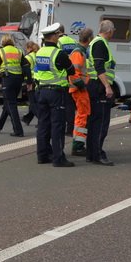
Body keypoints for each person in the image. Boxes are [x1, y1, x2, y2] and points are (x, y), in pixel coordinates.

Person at [31, 23, 77, 166]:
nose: (59, 37)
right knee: (57, 126)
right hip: (56, 92)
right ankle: (58, 158)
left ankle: (42, 155)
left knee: (43, 124)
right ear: (54, 36)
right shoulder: (59, 53)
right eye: (57, 35)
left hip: (41, 91)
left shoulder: (39, 53)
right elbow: (71, 71)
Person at [85, 20, 118, 165]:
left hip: (94, 85)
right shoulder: (100, 43)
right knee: (101, 122)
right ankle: (97, 153)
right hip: (99, 86)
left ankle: (91, 153)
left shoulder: (95, 42)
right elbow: (99, 67)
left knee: (93, 122)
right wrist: (107, 86)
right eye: (113, 31)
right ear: (109, 31)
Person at [0, 33, 30, 137]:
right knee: (8, 103)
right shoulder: (19, 51)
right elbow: (26, 67)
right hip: (18, 80)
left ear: (2, 42)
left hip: (7, 79)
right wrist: (29, 81)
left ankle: (18, 130)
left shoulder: (1, 51)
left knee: (11, 105)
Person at [67, 28, 93, 157]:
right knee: (82, 117)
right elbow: (74, 73)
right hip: (79, 89)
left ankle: (78, 145)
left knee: (81, 116)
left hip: (78, 88)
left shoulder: (80, 52)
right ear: (89, 39)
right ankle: (78, 146)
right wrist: (82, 86)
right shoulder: (79, 53)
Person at [21, 40, 40, 126]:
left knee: (32, 103)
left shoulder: (28, 57)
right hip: (37, 80)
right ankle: (27, 119)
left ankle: (42, 120)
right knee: (35, 101)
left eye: (26, 48)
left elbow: (25, 70)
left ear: (29, 48)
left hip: (30, 81)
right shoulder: (37, 55)